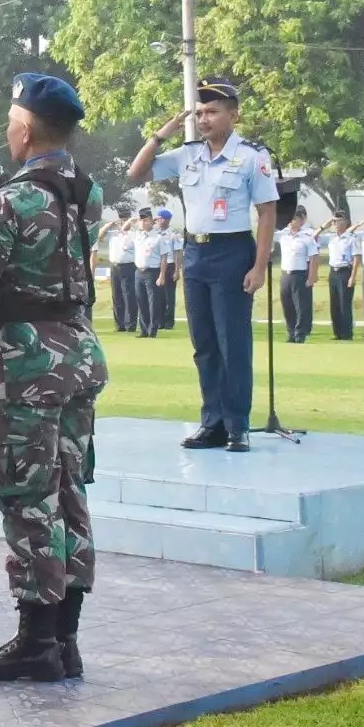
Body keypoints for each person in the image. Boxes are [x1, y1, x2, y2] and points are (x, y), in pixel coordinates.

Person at [0, 73, 105, 683]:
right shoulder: (85, 191)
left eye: (10, 120)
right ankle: (65, 639)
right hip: (78, 355)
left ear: (26, 128)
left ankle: (36, 643)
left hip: (28, 364)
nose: (8, 128)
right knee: (69, 493)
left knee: (28, 498)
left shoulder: (5, 203)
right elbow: (27, 194)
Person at [126, 77, 278, 453]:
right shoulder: (188, 154)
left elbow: (268, 212)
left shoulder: (252, 157)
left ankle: (237, 425)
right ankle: (211, 422)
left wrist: (259, 266)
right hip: (195, 254)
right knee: (204, 345)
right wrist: (163, 133)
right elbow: (136, 173)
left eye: (213, 111)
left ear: (233, 114)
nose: (204, 119)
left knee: (233, 343)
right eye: (200, 112)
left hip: (232, 252)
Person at [275, 207, 319, 343]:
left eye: (294, 218)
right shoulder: (283, 235)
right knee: (287, 305)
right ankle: (291, 333)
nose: (291, 221)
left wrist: (311, 277)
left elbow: (314, 258)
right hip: (285, 275)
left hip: (300, 274)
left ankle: (300, 334)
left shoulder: (307, 238)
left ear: (300, 220)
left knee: (301, 306)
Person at [314, 210, 358, 341]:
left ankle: (347, 333)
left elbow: (356, 258)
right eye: (334, 221)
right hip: (333, 271)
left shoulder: (351, 238)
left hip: (345, 271)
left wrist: (353, 276)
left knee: (345, 303)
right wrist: (324, 226)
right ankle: (337, 332)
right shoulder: (331, 237)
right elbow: (313, 237)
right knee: (335, 304)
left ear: (345, 222)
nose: (336, 224)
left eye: (338, 221)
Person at [131, 207, 170, 337]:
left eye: (145, 220)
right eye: (140, 221)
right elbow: (124, 229)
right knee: (141, 301)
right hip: (138, 272)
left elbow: (164, 257)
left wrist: (162, 275)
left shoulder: (158, 238)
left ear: (151, 222)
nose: (141, 223)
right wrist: (133, 220)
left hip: (152, 272)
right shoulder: (138, 236)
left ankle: (152, 330)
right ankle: (143, 329)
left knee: (153, 302)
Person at [99, 209, 137, 332]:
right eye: (121, 219)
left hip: (129, 266)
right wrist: (108, 225)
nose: (123, 221)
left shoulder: (134, 234)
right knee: (117, 296)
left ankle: (130, 324)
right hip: (114, 266)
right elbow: (99, 236)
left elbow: (125, 229)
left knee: (129, 296)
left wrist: (128, 223)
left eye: (126, 219)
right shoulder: (113, 233)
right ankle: (119, 325)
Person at [155, 209, 182, 330]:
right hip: (157, 265)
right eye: (158, 218)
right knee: (158, 296)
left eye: (162, 218)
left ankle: (169, 321)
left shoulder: (173, 234)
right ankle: (159, 320)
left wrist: (177, 270)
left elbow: (177, 252)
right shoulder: (154, 233)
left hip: (170, 265)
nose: (159, 220)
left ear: (167, 219)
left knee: (169, 295)